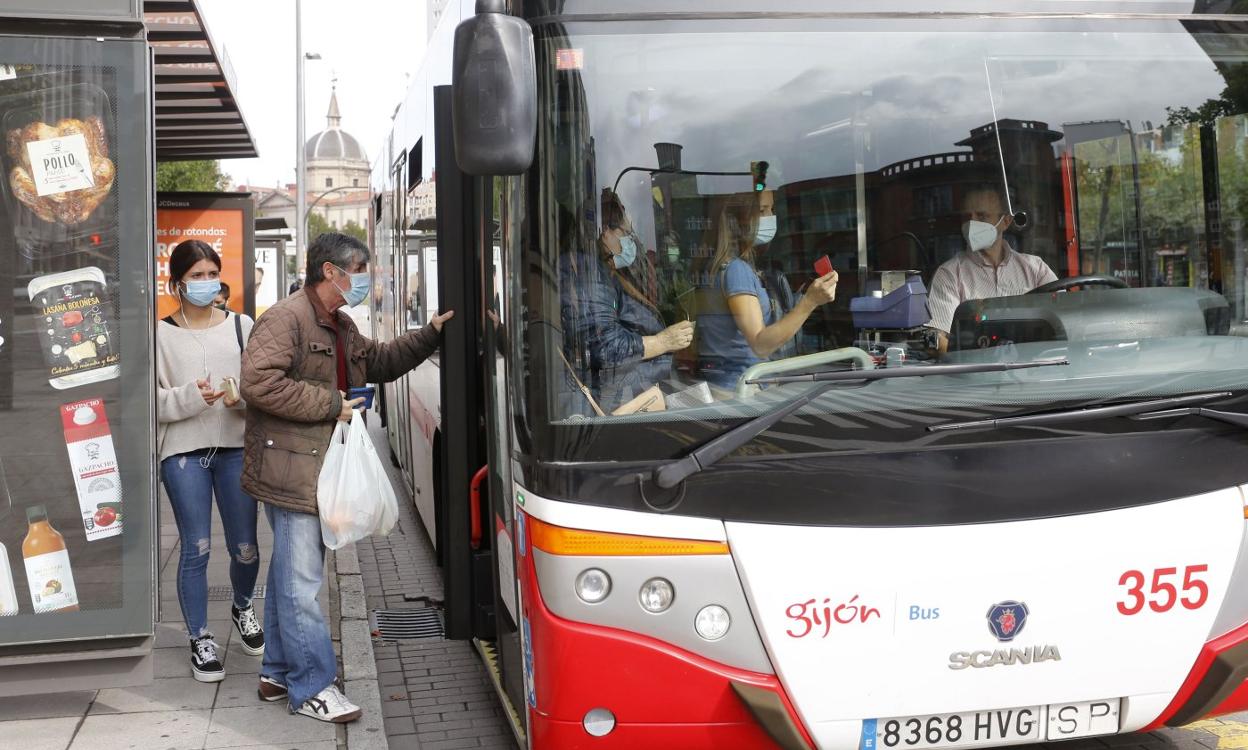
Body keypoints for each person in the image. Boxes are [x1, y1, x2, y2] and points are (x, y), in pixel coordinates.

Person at [240, 232, 452, 723]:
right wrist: (332, 404)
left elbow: (378, 361)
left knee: (289, 579)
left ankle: (276, 674)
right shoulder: (286, 318)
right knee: (300, 585)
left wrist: (432, 334)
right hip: (291, 469)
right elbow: (258, 383)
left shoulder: (339, 322)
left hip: (312, 464)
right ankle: (312, 687)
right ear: (330, 272)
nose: (365, 278)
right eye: (358, 269)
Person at [156, 239, 263, 684]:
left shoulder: (242, 326)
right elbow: (148, 402)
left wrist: (242, 396)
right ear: (176, 283)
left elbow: (264, 385)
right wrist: (188, 397)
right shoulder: (158, 334)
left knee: (246, 546)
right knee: (196, 547)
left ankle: (242, 607)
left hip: (236, 447)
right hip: (183, 450)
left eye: (211, 274)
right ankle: (200, 637)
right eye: (195, 276)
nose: (205, 283)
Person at [560, 188, 693, 414]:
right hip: (621, 401)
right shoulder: (592, 277)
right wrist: (663, 341)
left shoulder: (607, 274)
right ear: (606, 234)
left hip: (631, 392)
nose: (630, 241)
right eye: (625, 233)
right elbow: (605, 346)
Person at [696, 189, 838, 393]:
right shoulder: (737, 270)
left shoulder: (720, 267)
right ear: (739, 219)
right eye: (762, 210)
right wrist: (809, 302)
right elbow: (760, 344)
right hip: (742, 389)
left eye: (772, 209)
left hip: (733, 383)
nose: (770, 217)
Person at [925, 184, 1058, 352]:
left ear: (1006, 221)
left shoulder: (1036, 269)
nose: (971, 223)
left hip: (1034, 371)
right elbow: (932, 340)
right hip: (976, 375)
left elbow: (1066, 320)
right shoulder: (949, 274)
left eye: (981, 216)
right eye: (967, 216)